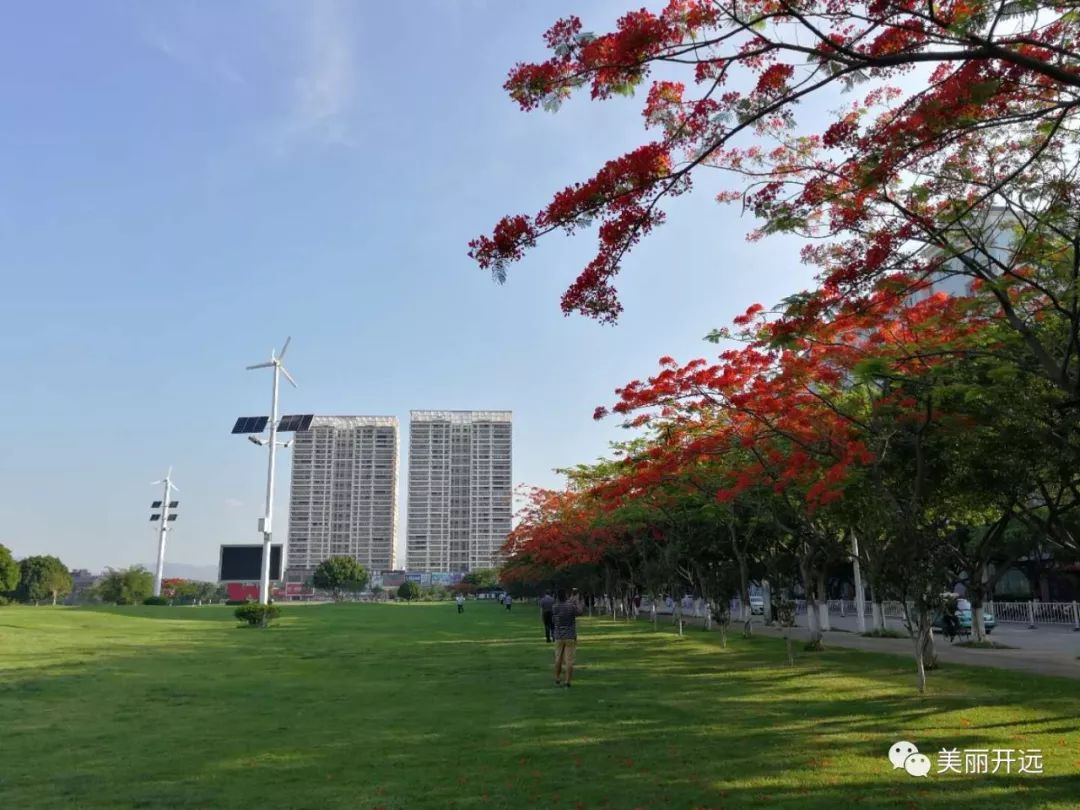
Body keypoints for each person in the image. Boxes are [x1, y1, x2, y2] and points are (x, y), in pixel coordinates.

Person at [552, 589, 583, 687]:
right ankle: (567, 681)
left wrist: (570, 600)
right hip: (570, 636)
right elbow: (580, 612)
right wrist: (576, 600)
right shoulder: (570, 606)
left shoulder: (555, 607)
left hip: (558, 636)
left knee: (558, 658)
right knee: (569, 660)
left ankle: (557, 677)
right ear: (566, 596)